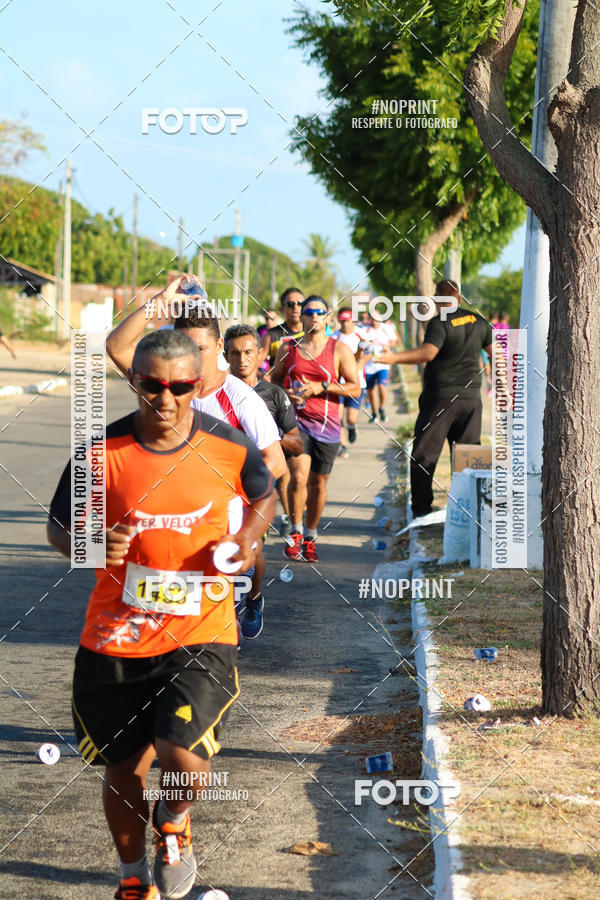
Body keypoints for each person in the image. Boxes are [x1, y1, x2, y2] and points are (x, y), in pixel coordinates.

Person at [47, 330, 275, 900]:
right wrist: (91, 545)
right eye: (152, 385)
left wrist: (247, 538)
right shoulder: (101, 451)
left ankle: (172, 822)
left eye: (180, 387)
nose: (165, 398)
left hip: (201, 630)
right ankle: (132, 876)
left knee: (184, 761)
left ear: (198, 384)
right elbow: (59, 527)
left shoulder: (228, 446)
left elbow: (264, 494)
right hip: (115, 636)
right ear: (134, 380)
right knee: (124, 768)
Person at [377, 279, 494, 519]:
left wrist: (393, 358)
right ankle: (467, 513)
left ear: (436, 300)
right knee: (467, 456)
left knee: (425, 454)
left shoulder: (440, 322)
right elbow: (496, 353)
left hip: (441, 398)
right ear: (459, 298)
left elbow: (428, 353)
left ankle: (421, 511)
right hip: (471, 399)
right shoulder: (479, 321)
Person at [224, 324, 303, 637]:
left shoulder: (273, 394)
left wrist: (267, 437)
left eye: (247, 352)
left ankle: (254, 599)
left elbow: (296, 443)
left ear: (259, 354)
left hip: (259, 486)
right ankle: (223, 614)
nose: (241, 359)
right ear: (225, 356)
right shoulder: (216, 393)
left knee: (252, 550)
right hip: (223, 487)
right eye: (234, 353)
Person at [270, 295, 361, 562]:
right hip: (296, 422)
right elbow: (275, 384)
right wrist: (287, 394)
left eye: (320, 312)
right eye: (308, 312)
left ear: (328, 316)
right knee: (298, 477)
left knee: (318, 485)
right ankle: (295, 531)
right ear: (302, 317)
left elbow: (355, 388)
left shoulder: (339, 350)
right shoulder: (288, 348)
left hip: (328, 425)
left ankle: (310, 535)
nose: (313, 316)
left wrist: (321, 387)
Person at [331, 307, 368, 458]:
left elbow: (369, 354)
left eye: (348, 320)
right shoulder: (333, 337)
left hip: (356, 382)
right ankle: (343, 445)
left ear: (353, 320)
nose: (345, 324)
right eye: (342, 321)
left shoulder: (361, 334)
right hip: (338, 383)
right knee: (338, 417)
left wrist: (360, 364)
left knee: (351, 418)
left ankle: (352, 427)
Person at [261, 286, 305, 367]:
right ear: (281, 309)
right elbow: (254, 364)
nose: (295, 307)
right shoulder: (270, 335)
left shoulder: (313, 332)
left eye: (300, 303)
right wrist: (261, 373)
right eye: (290, 304)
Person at [362, 312, 392, 423]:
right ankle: (374, 413)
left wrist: (387, 347)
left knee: (382, 386)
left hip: (383, 363)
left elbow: (394, 341)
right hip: (369, 365)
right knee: (371, 390)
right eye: (372, 318)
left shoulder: (386, 328)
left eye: (377, 318)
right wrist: (367, 345)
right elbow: (360, 344)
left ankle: (382, 408)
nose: (375, 320)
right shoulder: (364, 330)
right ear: (369, 319)